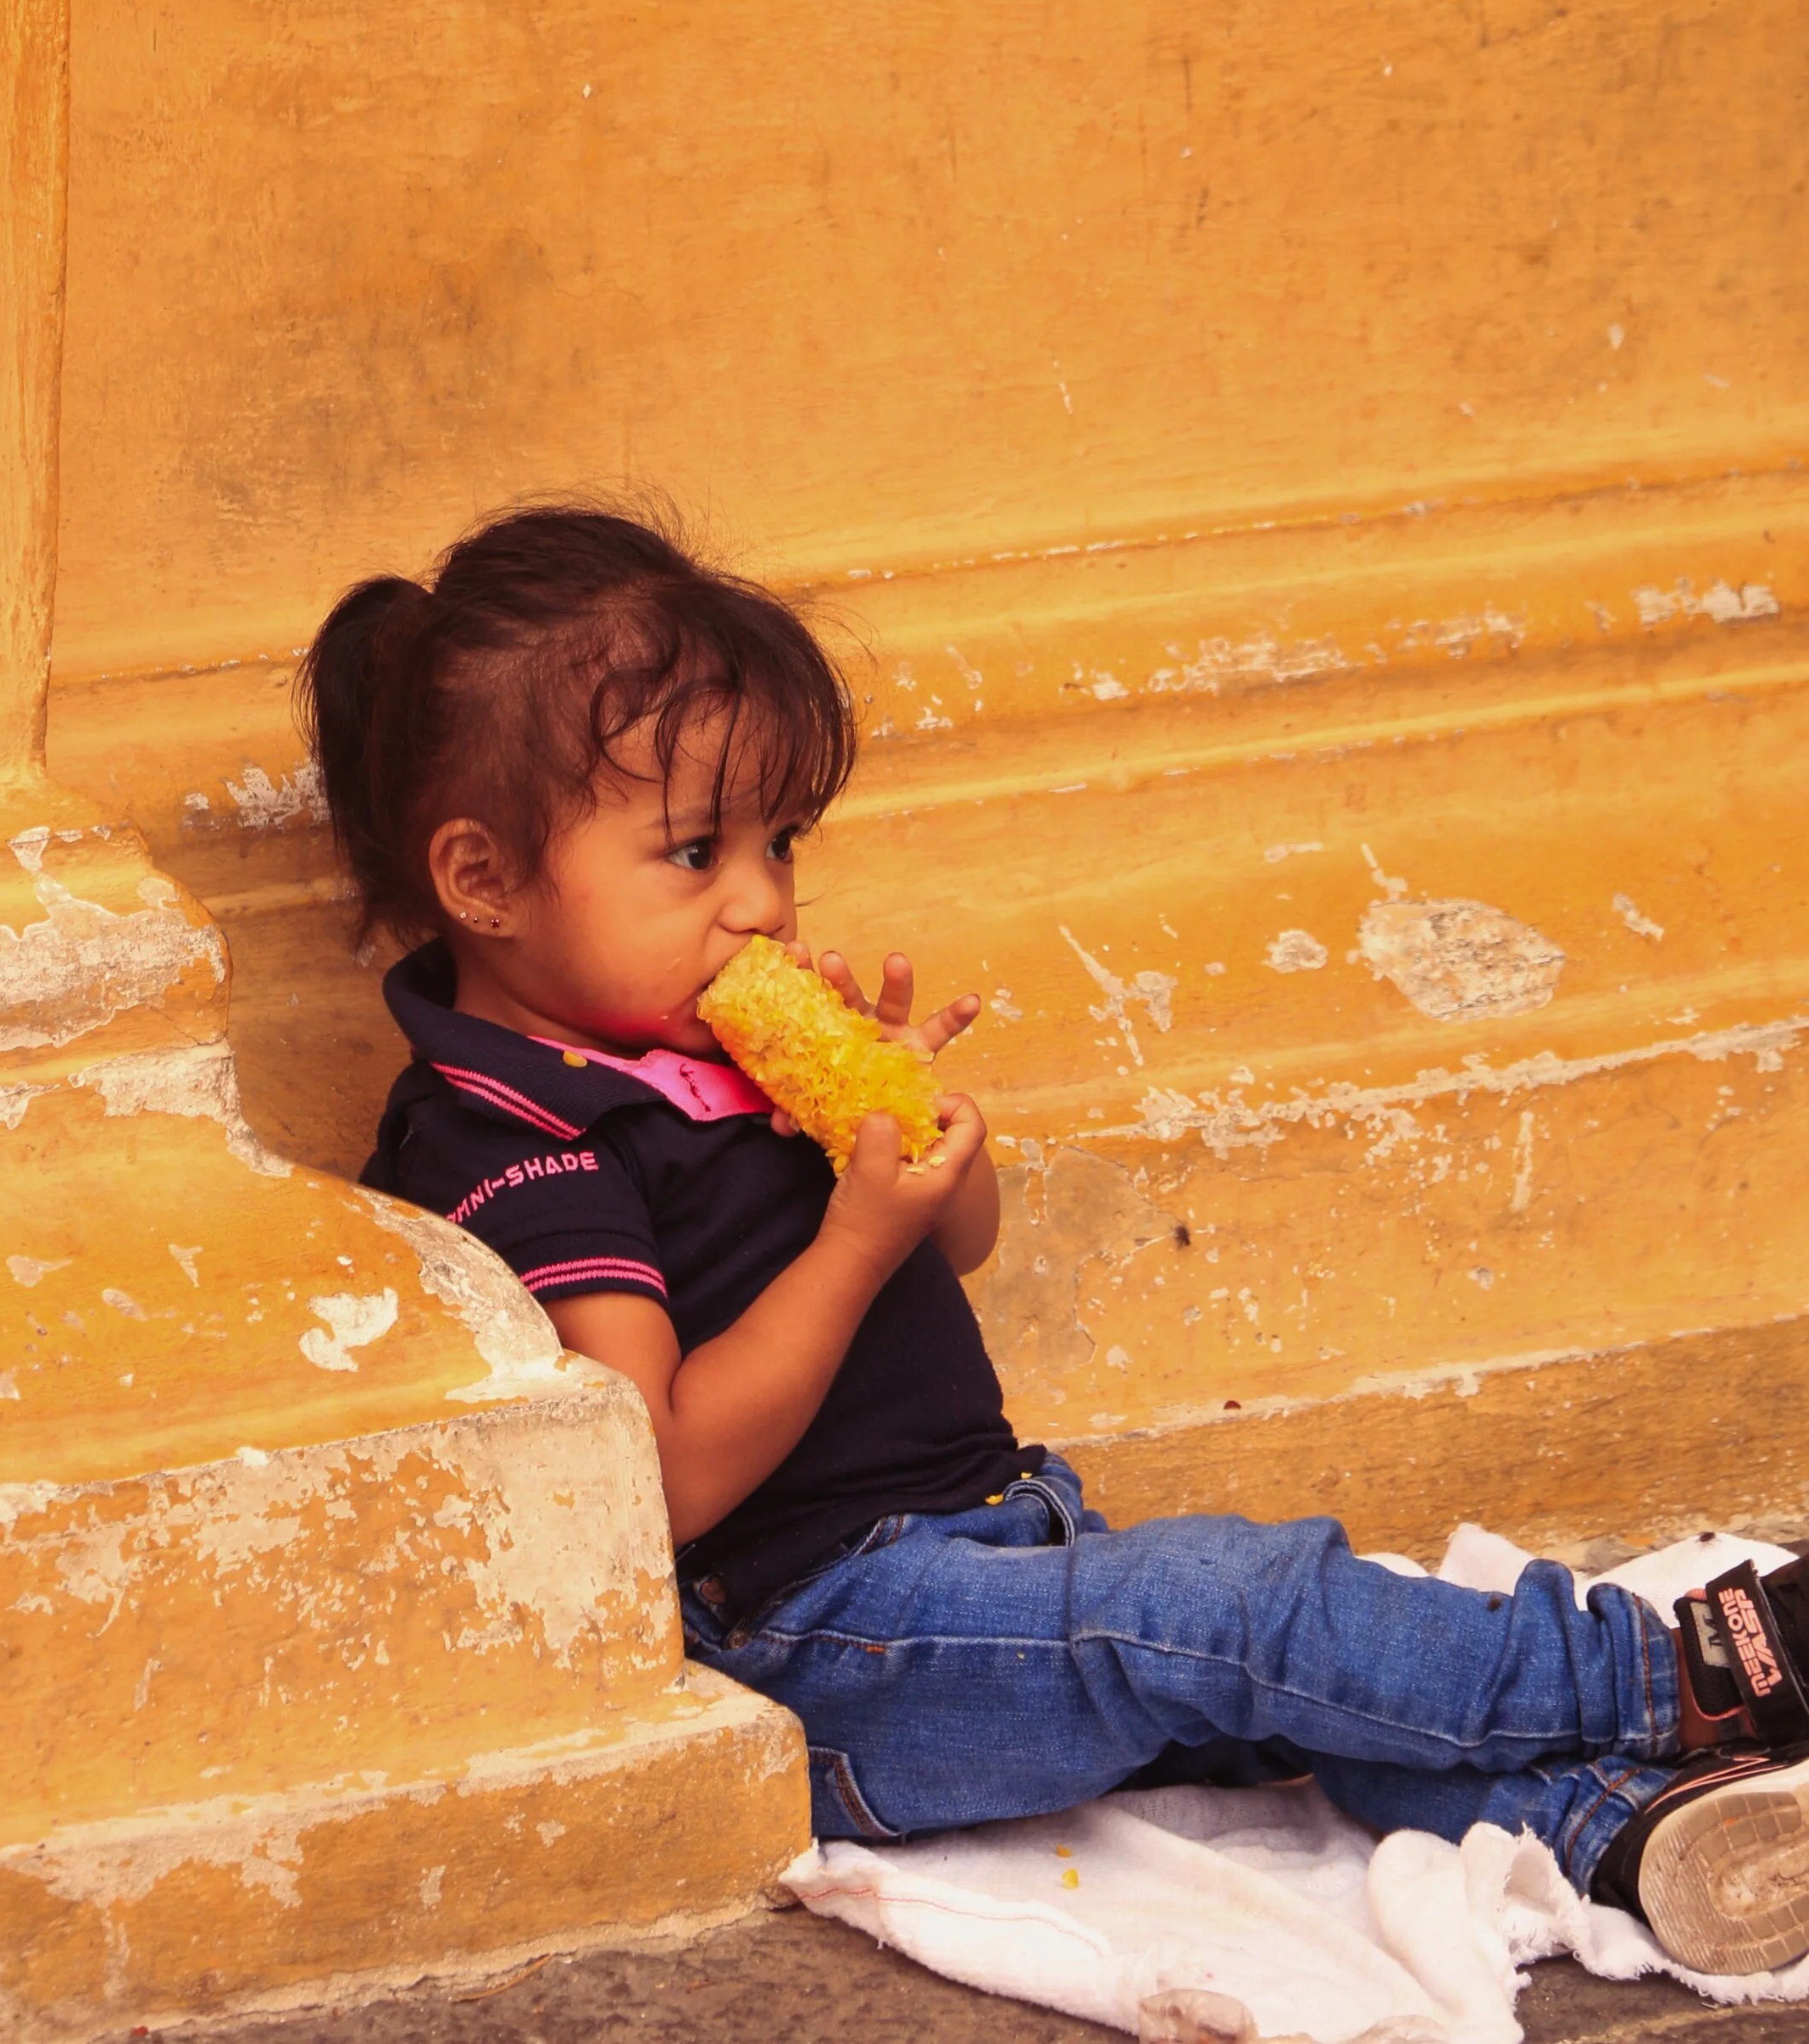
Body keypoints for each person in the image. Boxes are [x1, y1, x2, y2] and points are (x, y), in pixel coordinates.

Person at [301, 502, 1809, 1980]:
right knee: (1233, 1606)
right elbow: (667, 1472)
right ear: (484, 881)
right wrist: (848, 1233)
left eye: (782, 839)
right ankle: (1668, 1667)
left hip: (1002, 1538)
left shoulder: (690, 1038)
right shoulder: (510, 1127)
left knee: (1306, 1696)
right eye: (695, 852)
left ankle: (1635, 1836)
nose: (760, 900)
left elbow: (956, 1244)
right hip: (824, 1643)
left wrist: (904, 1134)